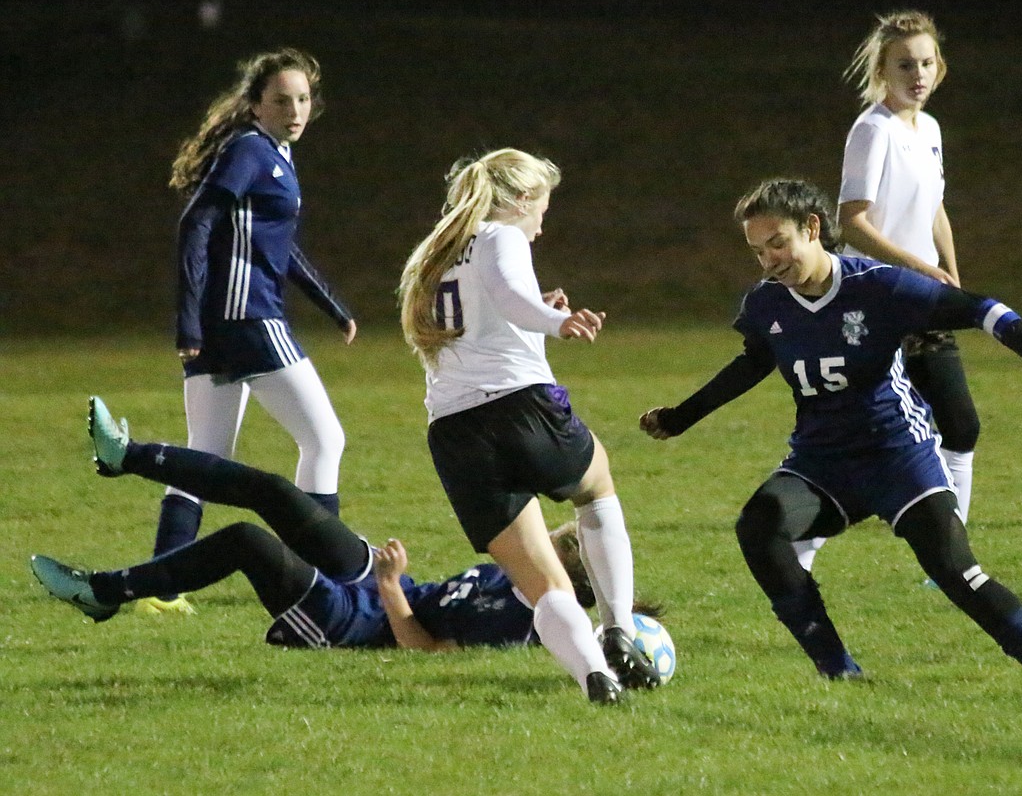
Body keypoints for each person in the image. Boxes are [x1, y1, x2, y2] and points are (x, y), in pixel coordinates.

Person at [640, 177, 1022, 682]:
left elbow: (982, 309)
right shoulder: (766, 304)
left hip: (898, 456)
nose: (771, 260)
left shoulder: (878, 286)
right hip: (821, 463)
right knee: (760, 527)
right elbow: (753, 362)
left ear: (813, 228)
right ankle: (838, 671)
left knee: (957, 574)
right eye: (758, 252)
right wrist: (682, 416)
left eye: (779, 243)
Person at [30, 397, 613, 651]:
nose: (568, 529)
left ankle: (103, 592)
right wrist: (390, 582)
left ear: (573, 567)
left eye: (575, 541)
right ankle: (125, 455)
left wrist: (388, 589)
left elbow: (429, 652)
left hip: (360, 627)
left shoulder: (531, 622)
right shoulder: (517, 570)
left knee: (247, 542)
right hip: (382, 588)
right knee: (275, 491)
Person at [398, 148, 658, 704]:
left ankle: (596, 677)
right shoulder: (500, 236)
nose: (541, 224)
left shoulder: (432, 253)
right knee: (598, 486)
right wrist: (557, 319)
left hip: (453, 433)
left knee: (543, 586)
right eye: (542, 206)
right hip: (520, 409)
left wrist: (537, 316)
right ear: (519, 199)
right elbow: (514, 300)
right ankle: (618, 630)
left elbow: (483, 322)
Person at [148, 48, 357, 614]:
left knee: (207, 455)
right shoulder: (250, 151)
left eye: (304, 99)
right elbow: (196, 222)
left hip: (224, 324)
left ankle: (161, 588)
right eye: (282, 100)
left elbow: (278, 248)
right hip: (249, 320)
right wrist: (186, 318)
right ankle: (324, 575)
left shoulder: (274, 155)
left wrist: (332, 307)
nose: (295, 110)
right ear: (256, 105)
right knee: (324, 440)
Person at [791, 11, 974, 575]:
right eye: (904, 65)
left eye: (925, 62)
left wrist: (952, 275)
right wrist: (921, 269)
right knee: (856, 438)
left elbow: (935, 207)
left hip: (919, 296)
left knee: (959, 424)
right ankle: (798, 549)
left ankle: (949, 560)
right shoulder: (873, 130)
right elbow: (853, 223)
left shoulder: (931, 128)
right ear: (882, 70)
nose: (916, 74)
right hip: (872, 300)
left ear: (938, 67)